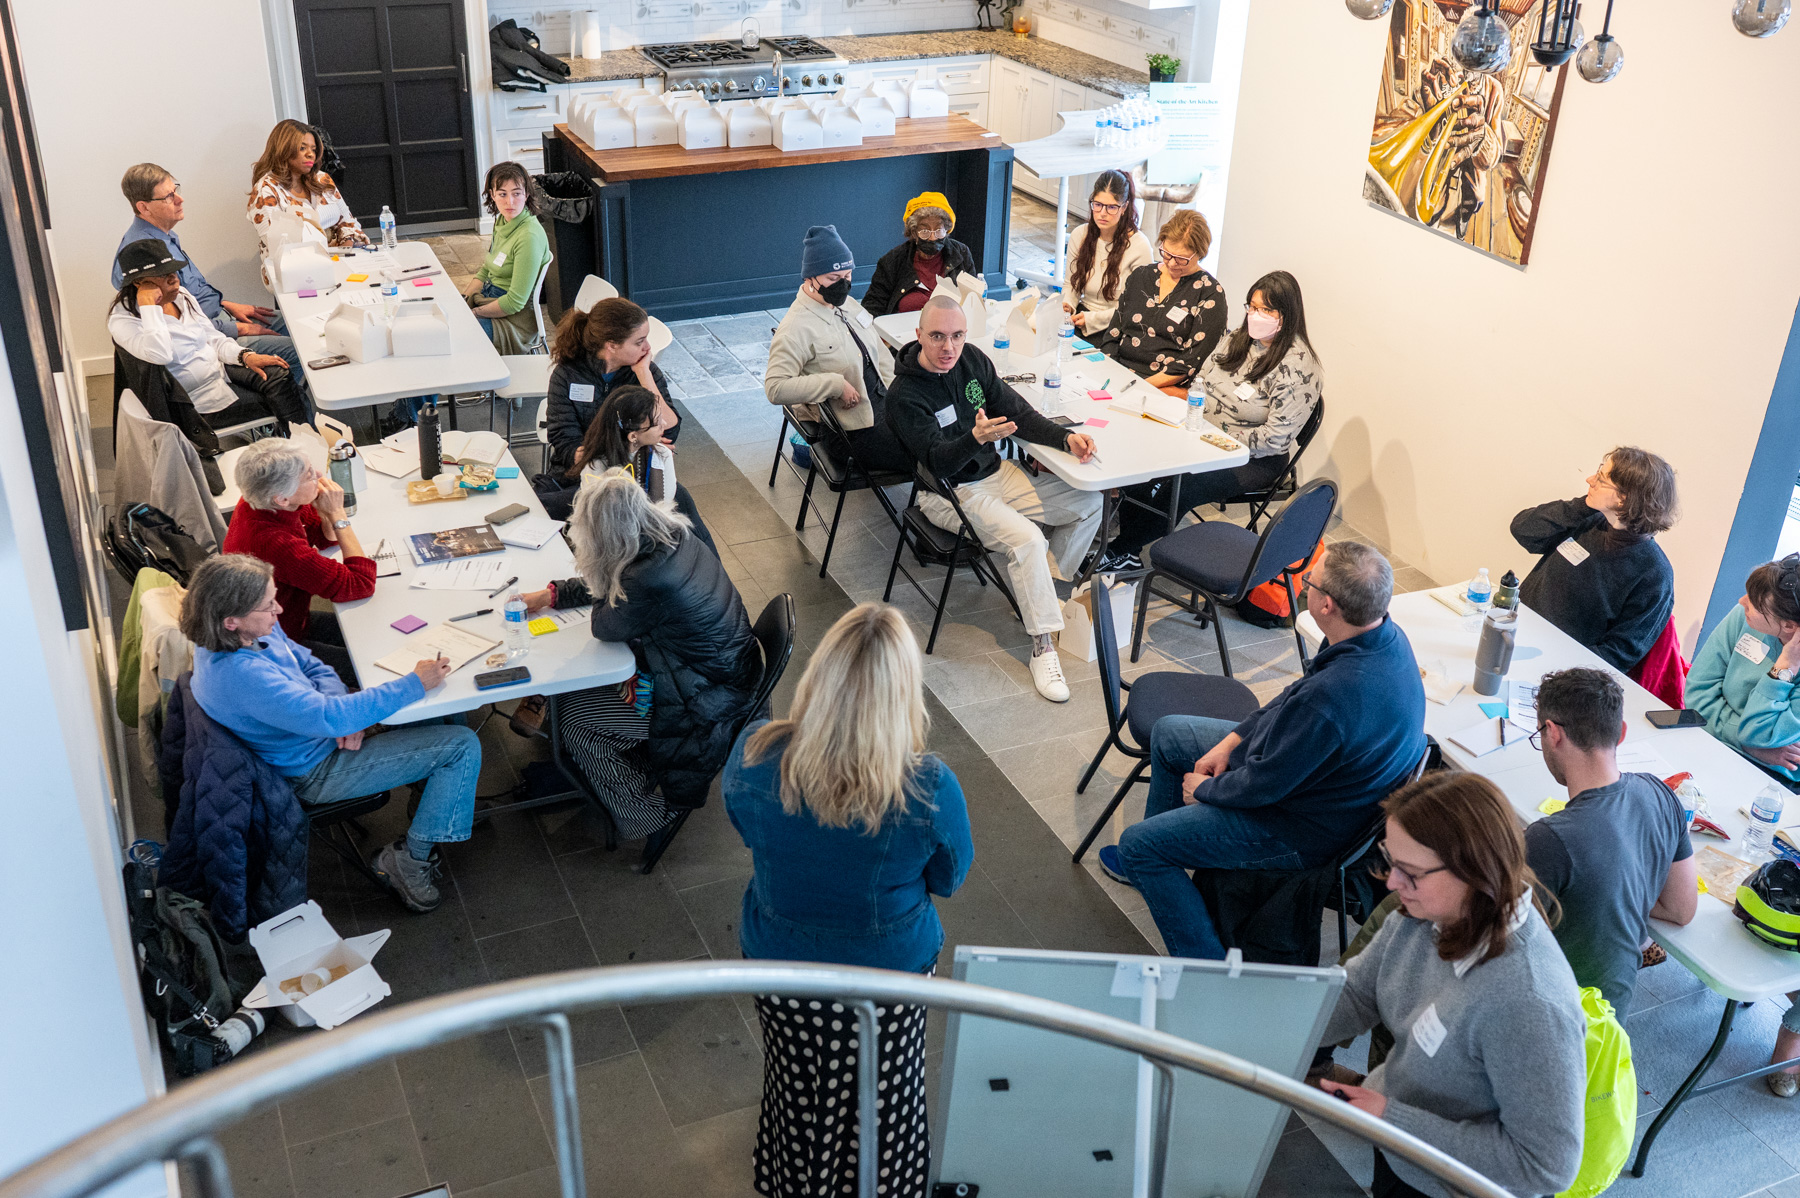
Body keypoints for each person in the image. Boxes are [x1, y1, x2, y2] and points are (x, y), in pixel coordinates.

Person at [725, 603, 972, 1198]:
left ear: (819, 677)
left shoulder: (755, 755)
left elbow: (746, 829)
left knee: (794, 1083)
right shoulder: (927, 786)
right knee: (888, 1095)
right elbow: (949, 878)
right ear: (903, 694)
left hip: (781, 963)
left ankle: (796, 1179)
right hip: (888, 976)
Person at [1101, 543, 1427, 959]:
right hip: (1326, 792)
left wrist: (1203, 791)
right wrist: (1232, 741)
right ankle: (1162, 860)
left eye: (1308, 580)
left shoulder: (1333, 699)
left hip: (1300, 830)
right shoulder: (1382, 636)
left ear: (1325, 604)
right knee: (1170, 734)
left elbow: (1263, 785)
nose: (1302, 584)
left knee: (1138, 845)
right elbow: (1297, 695)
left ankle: (1207, 968)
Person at [1316, 771, 1586, 1198]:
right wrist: (1266, 1015)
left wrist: (1392, 1119)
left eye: (1410, 872)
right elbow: (1355, 993)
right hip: (1399, 1151)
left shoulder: (1529, 1003)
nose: (1391, 882)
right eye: (1390, 860)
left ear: (1473, 871)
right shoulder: (1421, 915)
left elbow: (1544, 1166)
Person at [182, 554, 477, 913]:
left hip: (321, 730)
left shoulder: (246, 632)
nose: (278, 610)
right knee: (462, 746)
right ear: (231, 620)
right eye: (267, 605)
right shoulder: (241, 676)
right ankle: (408, 862)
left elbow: (311, 663)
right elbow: (328, 716)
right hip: (314, 770)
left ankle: (440, 804)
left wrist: (341, 715)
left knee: (447, 710)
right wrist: (413, 684)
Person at [885, 295, 1102, 703]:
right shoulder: (904, 395)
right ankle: (1043, 646)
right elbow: (937, 462)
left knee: (1090, 503)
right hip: (948, 493)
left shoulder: (974, 362)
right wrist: (975, 438)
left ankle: (1042, 594)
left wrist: (1065, 438)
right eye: (936, 337)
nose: (948, 347)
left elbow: (1017, 411)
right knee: (1028, 540)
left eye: (957, 336)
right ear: (918, 336)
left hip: (996, 474)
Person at [520, 472, 760, 840]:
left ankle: (645, 816)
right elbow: (617, 579)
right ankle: (603, 766)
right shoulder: (673, 534)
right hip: (723, 674)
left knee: (576, 722)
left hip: (703, 704)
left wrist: (596, 566)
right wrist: (555, 595)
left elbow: (604, 623)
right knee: (572, 693)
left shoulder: (647, 579)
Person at [1107, 269, 1323, 568]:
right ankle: (1130, 547)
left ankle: (1119, 550)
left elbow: (1276, 439)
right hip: (1200, 428)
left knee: (1183, 484)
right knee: (1143, 455)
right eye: (1252, 307)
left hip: (1251, 458)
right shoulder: (1241, 337)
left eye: (1266, 310)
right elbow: (1203, 378)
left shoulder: (1299, 366)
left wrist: (1214, 437)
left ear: (1286, 315)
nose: (1255, 315)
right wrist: (1192, 418)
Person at [1526, 667, 1697, 1017]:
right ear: (1620, 733)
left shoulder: (1548, 839)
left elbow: (1502, 942)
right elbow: (1682, 909)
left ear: (1553, 734)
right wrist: (1627, 889)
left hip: (1559, 1012)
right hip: (1610, 1013)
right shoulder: (1661, 793)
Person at [113, 163, 302, 384]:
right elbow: (181, 328)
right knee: (299, 349)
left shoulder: (163, 234)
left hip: (219, 315)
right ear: (144, 208)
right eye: (168, 197)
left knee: (297, 323)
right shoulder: (144, 254)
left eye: (176, 191)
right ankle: (286, 410)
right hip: (209, 335)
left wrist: (227, 305)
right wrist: (239, 328)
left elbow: (190, 294)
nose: (179, 199)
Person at [108, 240, 311, 435]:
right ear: (139, 283)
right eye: (162, 274)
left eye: (174, 270)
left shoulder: (182, 296)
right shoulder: (124, 320)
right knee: (292, 395)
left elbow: (212, 337)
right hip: (198, 402)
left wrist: (245, 356)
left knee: (278, 374)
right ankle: (307, 453)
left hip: (219, 371)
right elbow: (159, 354)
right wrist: (149, 307)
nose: (174, 278)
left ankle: (303, 448)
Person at [222, 440, 376, 686]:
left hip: (289, 620)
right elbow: (359, 584)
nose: (318, 475)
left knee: (372, 632)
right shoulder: (273, 541)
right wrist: (338, 514)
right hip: (275, 645)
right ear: (281, 498)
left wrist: (326, 513)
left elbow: (319, 536)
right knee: (370, 664)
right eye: (308, 476)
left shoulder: (263, 501)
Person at [1510, 447, 1678, 672]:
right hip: (1515, 632)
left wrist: (1555, 666)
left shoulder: (1654, 574)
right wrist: (1583, 506)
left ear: (1624, 498)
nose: (1590, 480)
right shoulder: (1588, 521)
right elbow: (1523, 530)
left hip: (1556, 669)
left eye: (1601, 479)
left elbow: (1619, 653)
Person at [765, 225, 912, 474]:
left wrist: (905, 395)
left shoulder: (849, 305)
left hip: (886, 406)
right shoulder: (796, 328)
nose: (843, 285)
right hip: (852, 431)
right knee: (928, 454)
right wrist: (834, 384)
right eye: (834, 279)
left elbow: (879, 350)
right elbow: (775, 388)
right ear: (809, 278)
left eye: (847, 277)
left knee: (943, 432)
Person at [542, 384, 714, 551]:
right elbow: (602, 522)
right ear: (633, 436)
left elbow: (663, 510)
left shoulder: (662, 455)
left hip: (654, 540)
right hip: (607, 545)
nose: (663, 424)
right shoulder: (596, 466)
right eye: (656, 422)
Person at [1089, 208, 1228, 397]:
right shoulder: (1141, 276)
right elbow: (1113, 334)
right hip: (1118, 374)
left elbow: (1190, 362)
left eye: (1181, 259)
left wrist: (1138, 387)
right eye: (1166, 254)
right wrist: (1112, 373)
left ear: (1199, 253)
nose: (1171, 264)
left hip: (1161, 385)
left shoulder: (1210, 294)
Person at [1688, 554, 1800, 785]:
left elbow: (1761, 733)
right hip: (1710, 741)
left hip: (1775, 778)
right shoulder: (1744, 616)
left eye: (1754, 603)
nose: (1742, 601)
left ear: (1789, 625)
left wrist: (1783, 669)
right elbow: (1698, 693)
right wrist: (1748, 744)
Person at [543, 296, 676, 475]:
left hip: (635, 472)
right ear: (612, 346)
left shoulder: (645, 371)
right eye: (639, 341)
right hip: (581, 472)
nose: (648, 347)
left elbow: (668, 430)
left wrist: (644, 375)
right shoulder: (567, 374)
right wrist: (634, 443)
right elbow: (564, 438)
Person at [247, 119, 369, 289]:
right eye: (302, 148)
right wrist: (329, 241)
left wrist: (345, 246)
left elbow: (349, 222)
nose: (310, 154)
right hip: (294, 274)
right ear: (283, 149)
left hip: (338, 259)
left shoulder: (322, 179)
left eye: (313, 149)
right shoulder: (266, 189)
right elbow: (279, 245)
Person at [462, 162, 552, 353]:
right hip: (490, 299)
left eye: (516, 193)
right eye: (502, 194)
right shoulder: (502, 220)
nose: (509, 202)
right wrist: (465, 299)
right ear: (492, 195)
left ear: (526, 194)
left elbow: (515, 302)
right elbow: (486, 269)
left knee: (457, 337)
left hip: (513, 320)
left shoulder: (529, 236)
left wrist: (474, 313)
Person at [1062, 170, 1154, 335]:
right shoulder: (1079, 235)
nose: (1102, 213)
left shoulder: (1139, 246)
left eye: (1112, 207)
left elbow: (1136, 307)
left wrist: (1092, 320)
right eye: (1097, 205)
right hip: (1082, 314)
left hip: (1118, 324)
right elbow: (1071, 285)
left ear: (1124, 207)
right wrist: (1068, 304)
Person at [860, 191, 978, 317]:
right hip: (903, 331)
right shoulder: (892, 261)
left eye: (939, 230)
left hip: (950, 330)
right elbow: (872, 308)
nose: (932, 237)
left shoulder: (961, 253)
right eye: (925, 231)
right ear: (914, 232)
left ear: (947, 229)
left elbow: (974, 300)